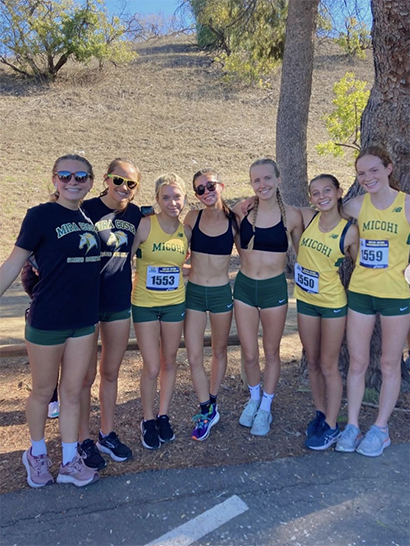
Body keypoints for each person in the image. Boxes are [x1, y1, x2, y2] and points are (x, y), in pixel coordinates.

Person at [0, 154, 100, 488]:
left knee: (72, 391)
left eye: (81, 177)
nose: (73, 182)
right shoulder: (40, 216)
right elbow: (14, 263)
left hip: (83, 320)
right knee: (44, 391)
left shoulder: (86, 216)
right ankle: (37, 454)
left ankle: (69, 461)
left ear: (90, 182)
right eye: (65, 175)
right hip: (48, 318)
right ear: (55, 179)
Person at [336, 146, 410, 457]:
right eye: (361, 173)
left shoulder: (407, 205)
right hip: (361, 293)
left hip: (396, 295)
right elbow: (328, 213)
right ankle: (352, 424)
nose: (367, 178)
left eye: (374, 170)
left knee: (389, 363)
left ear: (389, 168)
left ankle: (381, 428)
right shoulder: (354, 206)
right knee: (358, 362)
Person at [77, 158, 143, 470]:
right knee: (84, 376)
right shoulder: (85, 209)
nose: (123, 187)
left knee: (110, 372)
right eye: (118, 180)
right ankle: (82, 439)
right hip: (86, 301)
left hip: (118, 300)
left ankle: (106, 433)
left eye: (131, 183)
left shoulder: (136, 214)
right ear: (106, 179)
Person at [232, 158, 303, 436]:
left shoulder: (293, 216)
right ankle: (254, 399)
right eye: (257, 180)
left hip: (274, 288)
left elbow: (304, 253)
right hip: (245, 288)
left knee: (271, 352)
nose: (263, 184)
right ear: (251, 183)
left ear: (278, 179)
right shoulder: (242, 212)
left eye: (268, 178)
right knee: (249, 353)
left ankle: (266, 407)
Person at [295, 174, 358, 450]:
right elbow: (277, 205)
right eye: (316, 193)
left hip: (332, 303)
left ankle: (332, 425)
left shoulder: (349, 231)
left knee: (328, 364)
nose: (322, 197)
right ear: (311, 198)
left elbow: (362, 268)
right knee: (312, 361)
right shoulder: (308, 218)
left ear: (339, 192)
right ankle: (321, 413)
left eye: (327, 191)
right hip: (305, 301)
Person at [131, 173, 190, 449]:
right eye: (166, 197)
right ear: (157, 199)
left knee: (169, 361)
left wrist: (190, 271)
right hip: (144, 303)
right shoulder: (145, 226)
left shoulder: (186, 232)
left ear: (184, 198)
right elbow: (124, 260)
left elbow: (182, 266)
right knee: (152, 366)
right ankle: (147, 419)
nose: (172, 202)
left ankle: (163, 415)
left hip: (174, 303)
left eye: (177, 197)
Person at [183, 169, 238, 441]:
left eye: (210, 185)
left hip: (220, 294)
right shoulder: (192, 217)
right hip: (194, 293)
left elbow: (249, 254)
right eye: (200, 189)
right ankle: (205, 408)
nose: (206, 192)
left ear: (221, 186)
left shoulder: (234, 220)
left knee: (219, 351)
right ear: (196, 195)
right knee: (194, 355)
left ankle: (213, 402)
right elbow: (175, 249)